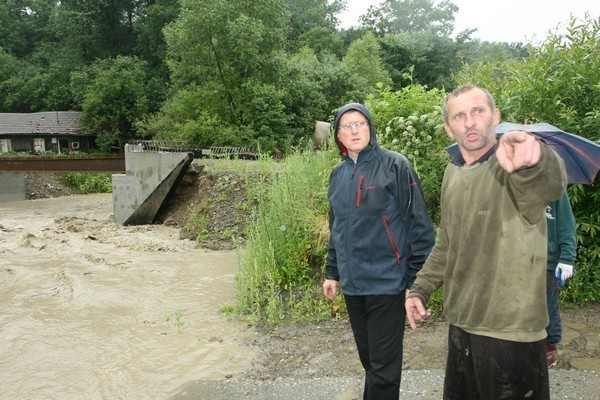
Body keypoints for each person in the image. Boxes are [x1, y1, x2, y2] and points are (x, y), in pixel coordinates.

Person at [404, 84, 567, 400]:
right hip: (462, 324)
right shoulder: (453, 173)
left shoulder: (513, 167)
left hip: (511, 331)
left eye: (478, 111)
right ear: (447, 127)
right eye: (459, 116)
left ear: (496, 116)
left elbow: (548, 182)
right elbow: (447, 243)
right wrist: (419, 289)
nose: (469, 122)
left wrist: (534, 159)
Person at [322, 102, 435, 400]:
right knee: (370, 361)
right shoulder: (338, 175)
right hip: (354, 285)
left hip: (388, 283)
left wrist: (416, 284)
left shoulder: (395, 165)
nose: (354, 130)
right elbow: (337, 228)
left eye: (360, 123)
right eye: (346, 126)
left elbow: (420, 227)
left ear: (371, 129)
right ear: (338, 136)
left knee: (384, 369)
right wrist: (332, 272)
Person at [545, 191, 577, 367]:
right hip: (521, 260)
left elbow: (566, 225)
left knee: (548, 306)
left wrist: (566, 259)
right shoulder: (513, 184)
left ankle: (549, 348)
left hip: (548, 261)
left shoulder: (555, 189)